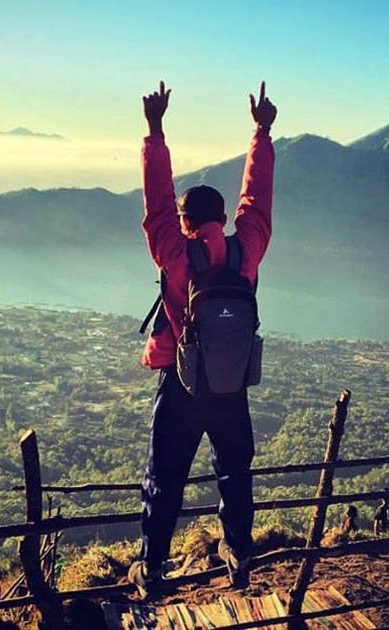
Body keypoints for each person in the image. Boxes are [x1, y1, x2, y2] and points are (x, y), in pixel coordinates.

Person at [128, 80, 277, 597]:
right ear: (223, 219)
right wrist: (261, 131)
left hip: (183, 386)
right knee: (235, 474)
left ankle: (151, 568)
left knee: (163, 480)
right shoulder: (247, 254)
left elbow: (155, 205)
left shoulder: (176, 255)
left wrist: (155, 130)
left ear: (188, 222)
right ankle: (238, 555)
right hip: (231, 387)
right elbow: (256, 202)